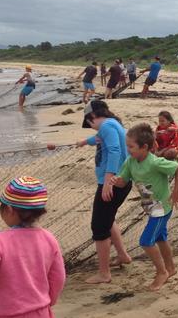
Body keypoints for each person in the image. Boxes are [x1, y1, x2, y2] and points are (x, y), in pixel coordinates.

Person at [0, 176, 66, 318]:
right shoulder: (49, 239)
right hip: (40, 311)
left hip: (5, 313)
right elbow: (58, 278)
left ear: (9, 210)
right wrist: (49, 300)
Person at [109, 123, 178, 291]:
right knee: (160, 238)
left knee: (146, 241)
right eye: (127, 145)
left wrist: (176, 192)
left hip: (161, 208)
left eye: (131, 146)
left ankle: (161, 272)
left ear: (145, 147)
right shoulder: (131, 161)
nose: (128, 149)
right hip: (150, 206)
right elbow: (122, 182)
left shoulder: (155, 163)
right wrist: (115, 181)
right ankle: (170, 268)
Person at [76, 100, 133, 283]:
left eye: (90, 124)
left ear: (93, 116)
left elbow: (114, 149)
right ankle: (123, 255)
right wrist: (85, 142)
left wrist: (108, 181)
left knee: (99, 226)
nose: (92, 128)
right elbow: (100, 139)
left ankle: (104, 273)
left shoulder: (107, 126)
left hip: (112, 183)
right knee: (108, 219)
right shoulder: (113, 123)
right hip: (122, 181)